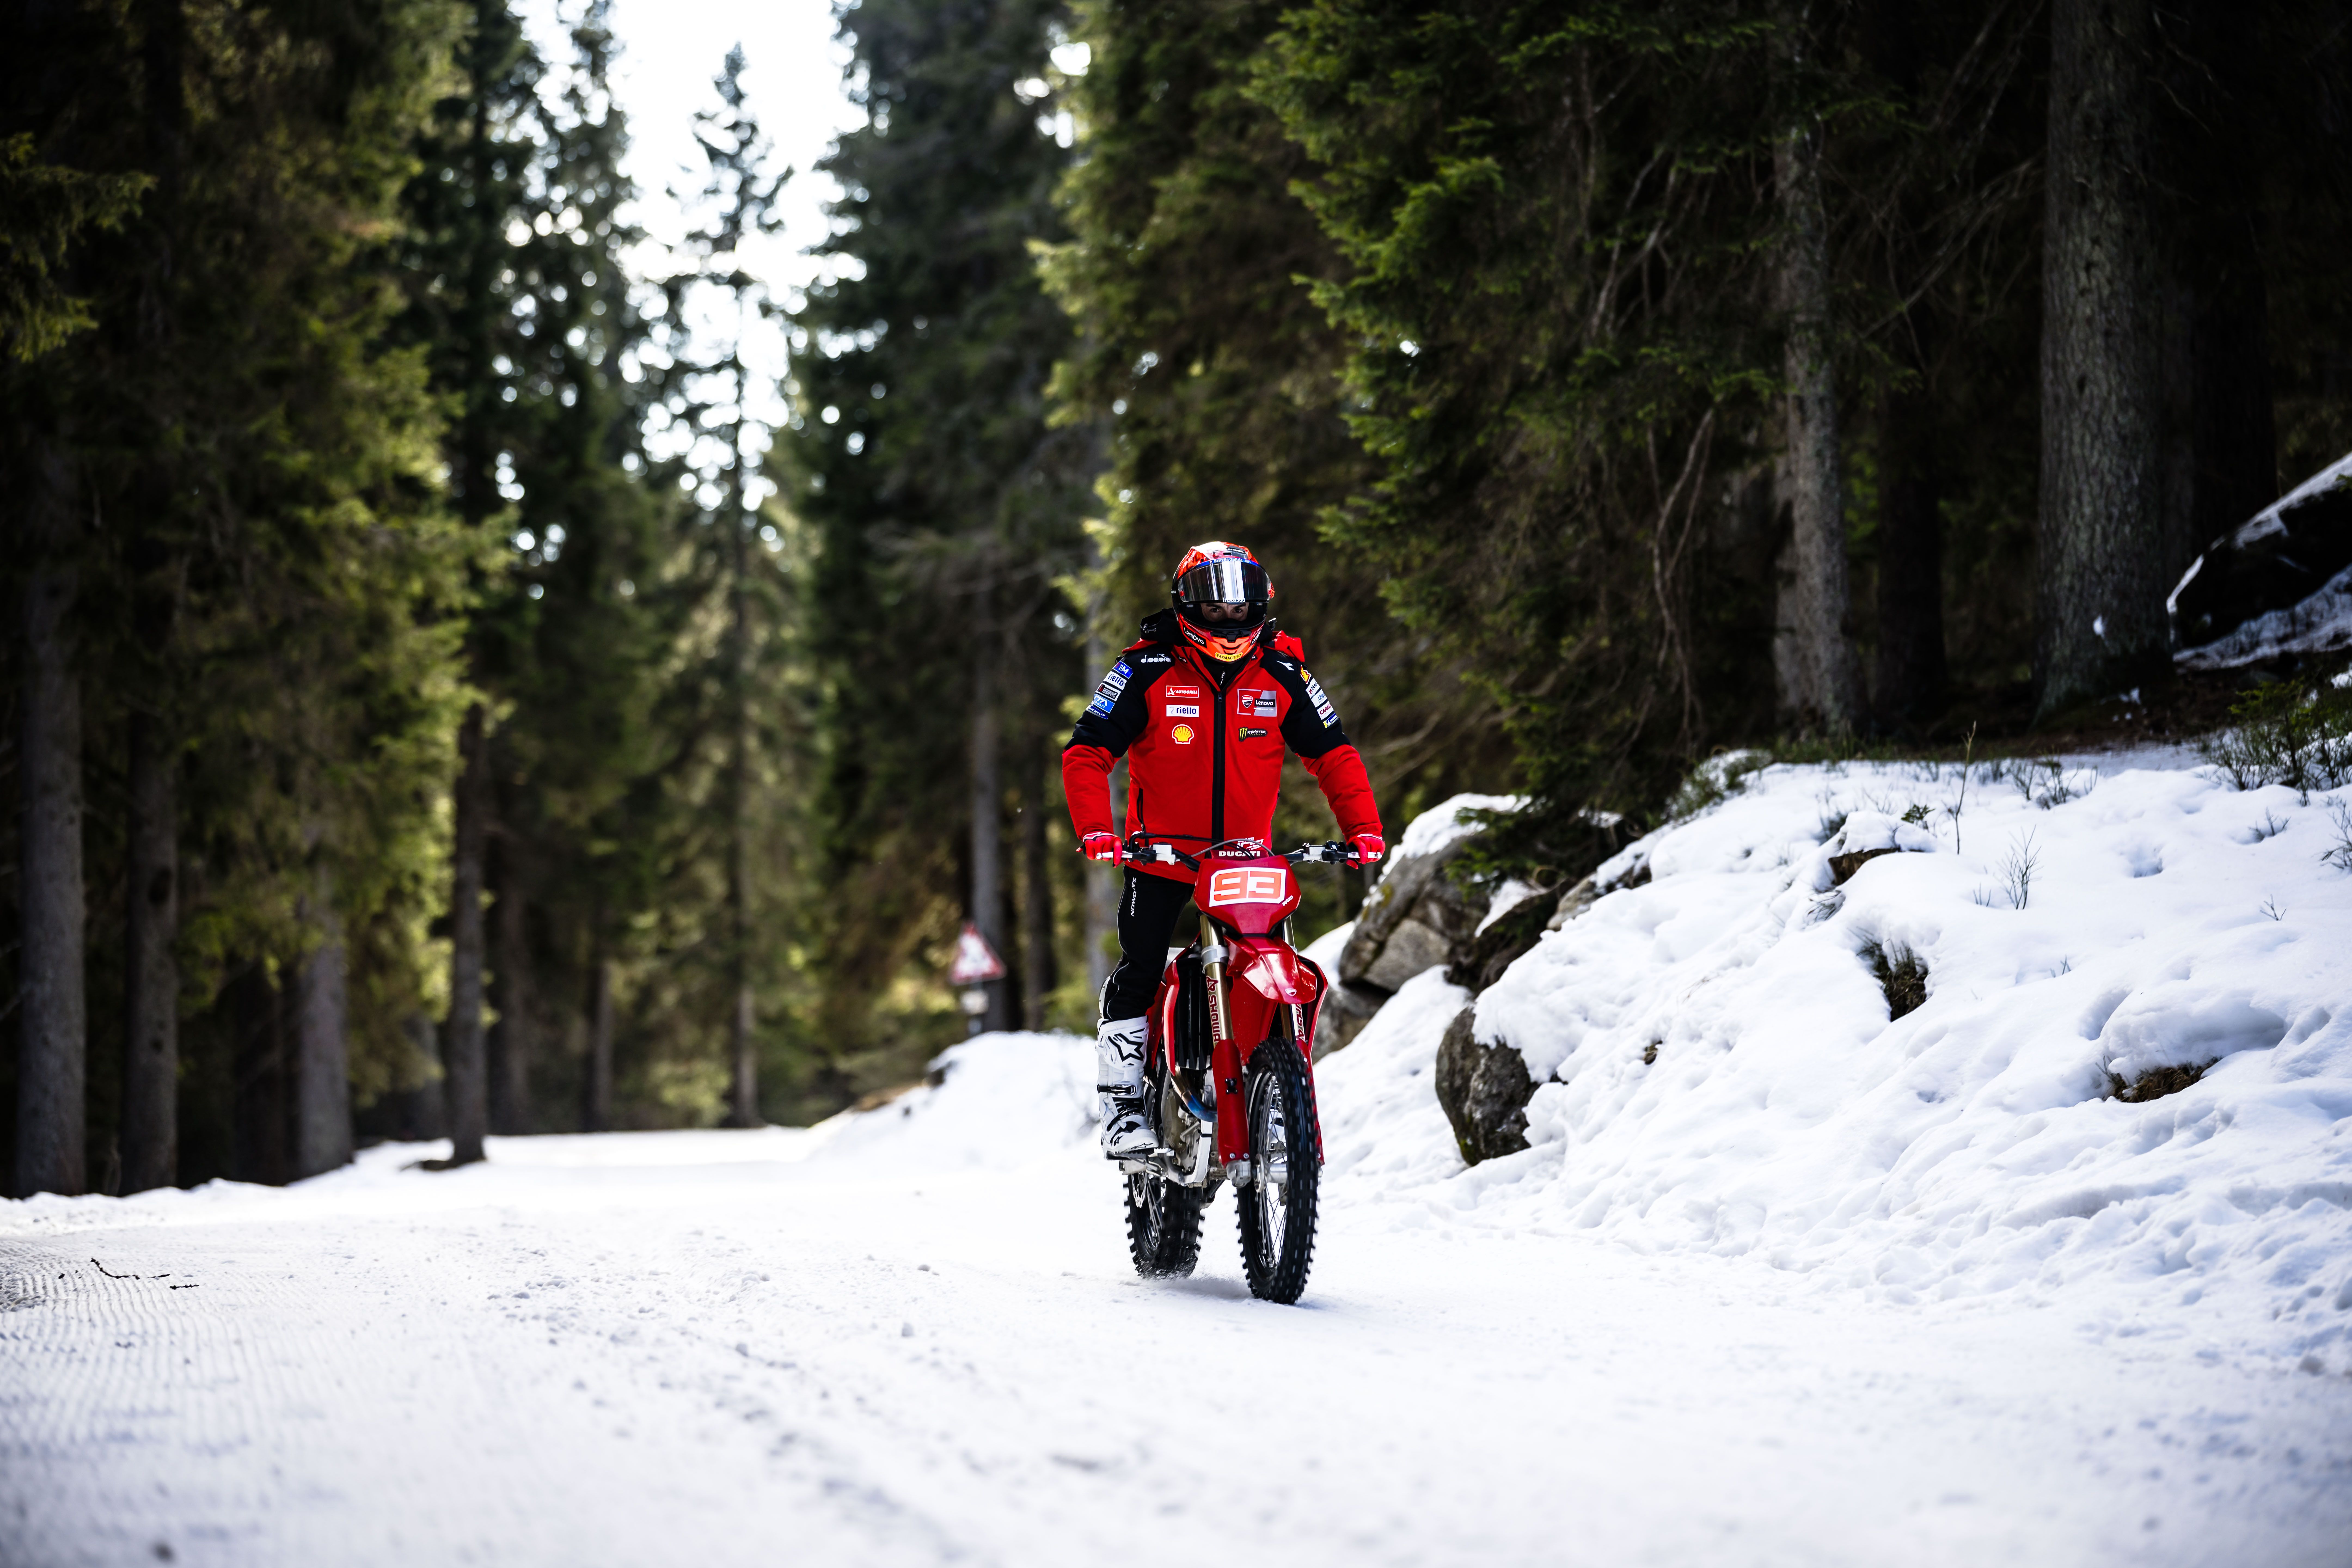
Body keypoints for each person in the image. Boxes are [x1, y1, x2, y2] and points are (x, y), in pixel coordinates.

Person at [1061, 542, 1385, 1157]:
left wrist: (1363, 830)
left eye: (1243, 605)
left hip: (1245, 861)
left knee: (1265, 958)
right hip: (1159, 857)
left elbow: (1334, 754)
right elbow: (1087, 751)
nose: (1231, 619)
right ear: (1187, 604)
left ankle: (1267, 1078)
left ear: (1262, 601)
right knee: (1140, 966)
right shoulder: (1145, 668)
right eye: (1216, 606)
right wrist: (1096, 830)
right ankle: (1125, 1107)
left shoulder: (1285, 674)